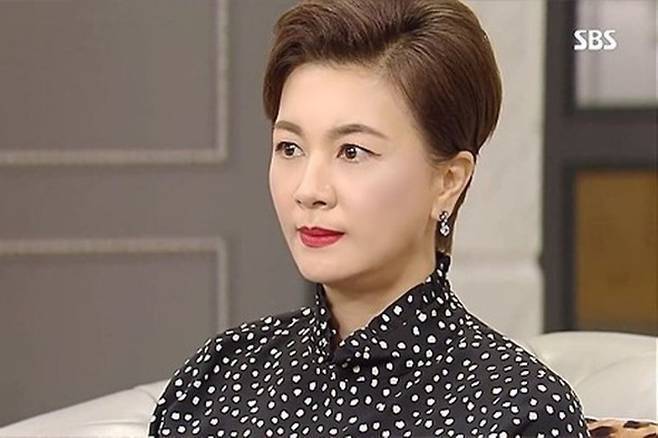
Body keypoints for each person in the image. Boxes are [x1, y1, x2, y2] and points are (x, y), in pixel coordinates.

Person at [148, 0, 591, 436]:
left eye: (352, 152)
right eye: (290, 148)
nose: (308, 190)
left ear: (448, 181)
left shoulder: (519, 410)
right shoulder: (219, 375)